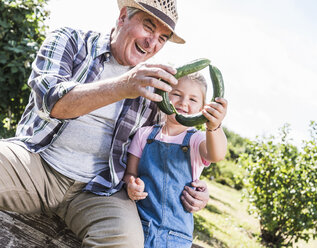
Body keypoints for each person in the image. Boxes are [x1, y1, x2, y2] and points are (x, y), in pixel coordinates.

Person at [0, 0, 210, 247]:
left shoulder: (157, 88)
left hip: (100, 190)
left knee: (125, 242)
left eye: (162, 38)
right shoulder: (70, 40)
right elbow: (51, 103)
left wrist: (197, 188)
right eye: (148, 27)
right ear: (122, 17)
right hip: (36, 163)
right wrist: (124, 86)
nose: (152, 43)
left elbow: (174, 141)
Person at [124, 72, 228, 247]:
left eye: (193, 100)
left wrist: (214, 126)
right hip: (138, 224)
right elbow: (130, 173)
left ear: (203, 108)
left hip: (176, 235)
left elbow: (216, 154)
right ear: (164, 96)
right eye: (177, 94)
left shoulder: (197, 140)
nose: (183, 103)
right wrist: (131, 185)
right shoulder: (145, 134)